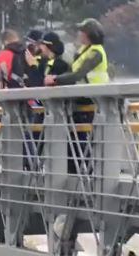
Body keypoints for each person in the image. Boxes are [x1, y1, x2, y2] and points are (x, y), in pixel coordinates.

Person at [46, 19, 110, 175]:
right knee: (75, 140)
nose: (79, 34)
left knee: (83, 140)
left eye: (82, 31)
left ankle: (84, 174)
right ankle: (75, 173)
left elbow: (78, 74)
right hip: (80, 99)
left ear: (88, 34)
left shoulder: (96, 52)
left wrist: (56, 79)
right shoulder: (84, 51)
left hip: (93, 101)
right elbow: (72, 71)